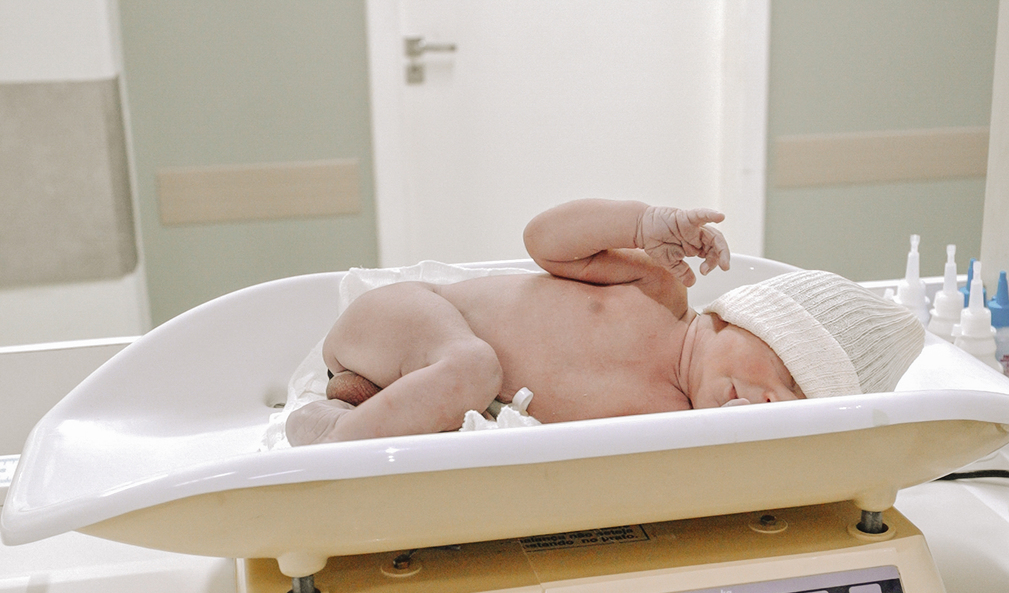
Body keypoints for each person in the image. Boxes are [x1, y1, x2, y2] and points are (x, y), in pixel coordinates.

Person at [285, 199, 925, 443]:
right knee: (472, 366)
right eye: (786, 371)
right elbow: (544, 239)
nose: (770, 400)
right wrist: (642, 225)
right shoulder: (657, 291)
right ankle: (335, 446)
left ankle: (347, 411)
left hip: (410, 394)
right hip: (409, 319)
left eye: (792, 406)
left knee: (465, 390)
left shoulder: (671, 425)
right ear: (743, 318)